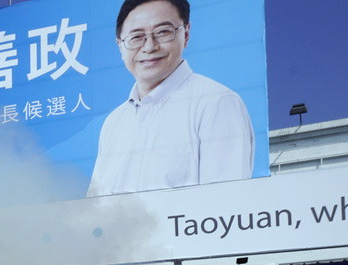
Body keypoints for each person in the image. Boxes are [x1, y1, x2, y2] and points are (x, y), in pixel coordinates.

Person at [86, 0, 255, 196]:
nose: (149, 47)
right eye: (136, 37)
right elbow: (94, 207)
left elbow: (227, 204)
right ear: (120, 46)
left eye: (163, 32)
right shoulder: (113, 123)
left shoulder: (216, 103)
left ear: (186, 33)